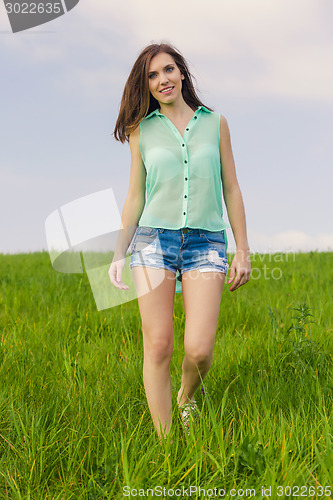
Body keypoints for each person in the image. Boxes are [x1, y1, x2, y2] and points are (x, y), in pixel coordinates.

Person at [108, 42, 251, 441]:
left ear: (182, 73)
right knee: (158, 345)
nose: (162, 80)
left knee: (199, 350)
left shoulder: (215, 123)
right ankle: (166, 442)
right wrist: (119, 252)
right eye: (152, 75)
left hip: (206, 242)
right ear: (147, 85)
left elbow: (232, 189)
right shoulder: (142, 131)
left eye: (168, 70)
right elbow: (136, 194)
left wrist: (242, 248)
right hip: (153, 241)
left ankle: (187, 397)